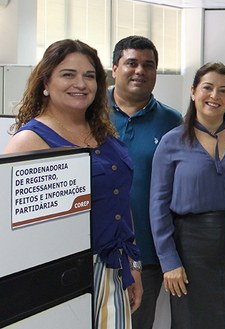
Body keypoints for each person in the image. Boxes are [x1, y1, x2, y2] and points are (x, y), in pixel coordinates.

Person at [4, 39, 142, 328]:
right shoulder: (30, 141)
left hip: (113, 267)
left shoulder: (102, 131)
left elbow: (120, 201)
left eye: (89, 76)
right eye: (68, 74)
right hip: (60, 278)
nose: (81, 83)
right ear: (45, 82)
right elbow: (9, 229)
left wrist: (133, 265)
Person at [149, 62, 225, 328]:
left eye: (223, 90)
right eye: (207, 88)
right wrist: (169, 261)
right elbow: (158, 207)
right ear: (193, 92)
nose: (215, 96)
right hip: (190, 250)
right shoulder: (171, 142)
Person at [109, 35, 183, 329]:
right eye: (131, 63)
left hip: (148, 253)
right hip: (97, 250)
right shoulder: (90, 113)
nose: (140, 70)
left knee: (138, 323)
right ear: (114, 68)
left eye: (148, 65)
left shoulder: (172, 122)